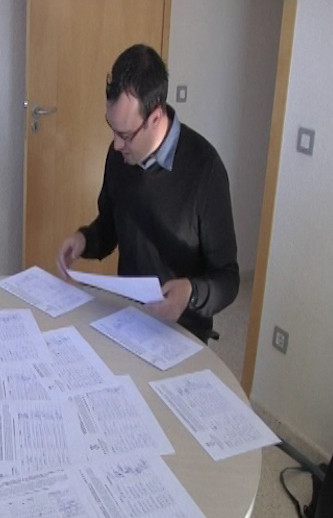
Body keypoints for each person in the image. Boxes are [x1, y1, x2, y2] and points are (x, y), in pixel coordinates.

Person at [56, 44, 239, 344]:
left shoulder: (205, 170)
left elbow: (228, 279)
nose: (116, 144)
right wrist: (84, 239)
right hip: (128, 318)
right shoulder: (119, 157)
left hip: (183, 330)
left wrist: (191, 293)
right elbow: (111, 226)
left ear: (155, 118)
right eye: (111, 128)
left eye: (125, 135)